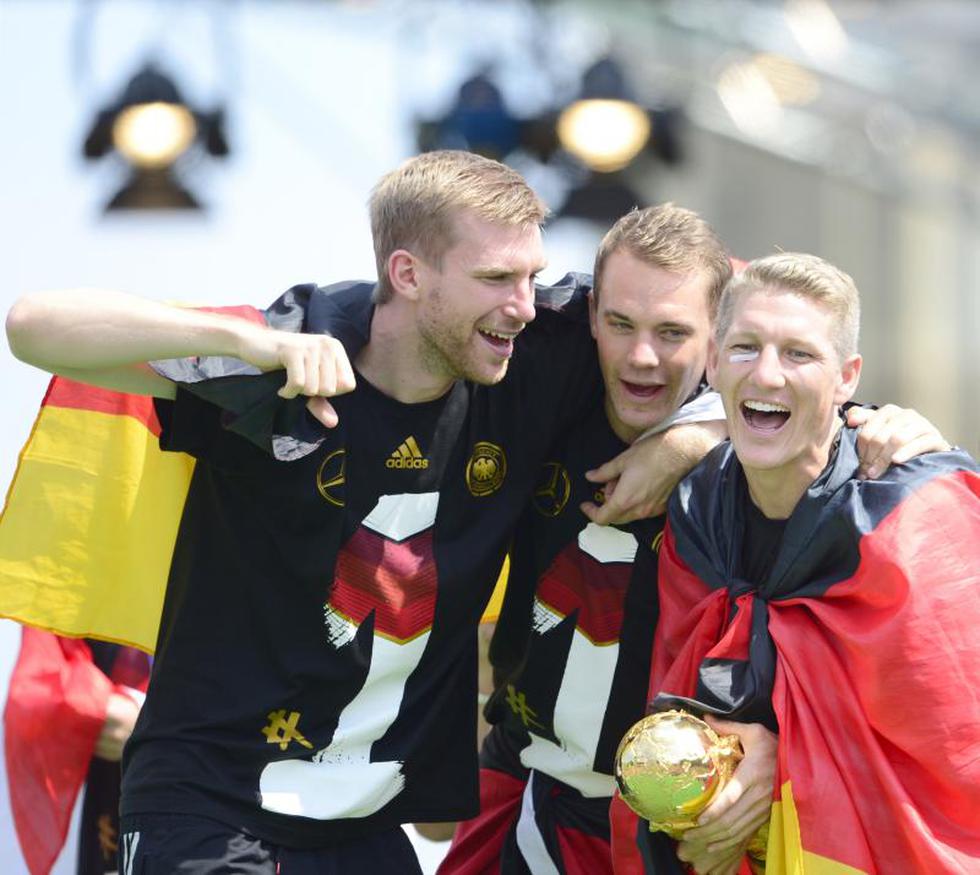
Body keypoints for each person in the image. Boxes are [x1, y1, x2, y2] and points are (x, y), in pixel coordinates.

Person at [4, 151, 718, 873]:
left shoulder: (530, 348)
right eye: (497, 278)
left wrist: (699, 431)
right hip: (209, 808)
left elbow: (739, 316)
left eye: (532, 276)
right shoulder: (282, 358)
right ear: (408, 275)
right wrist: (243, 338)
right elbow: (34, 326)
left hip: (366, 830)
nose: (527, 304)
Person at [631, 253, 979, 873]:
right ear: (713, 363)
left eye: (799, 354)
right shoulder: (698, 508)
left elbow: (958, 755)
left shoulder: (915, 514)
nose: (766, 375)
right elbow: (687, 689)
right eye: (744, 347)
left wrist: (784, 756)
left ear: (847, 378)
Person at [4, 629, 150, 875]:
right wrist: (99, 705)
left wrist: (151, 717)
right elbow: (37, 690)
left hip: (202, 811)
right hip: (104, 796)